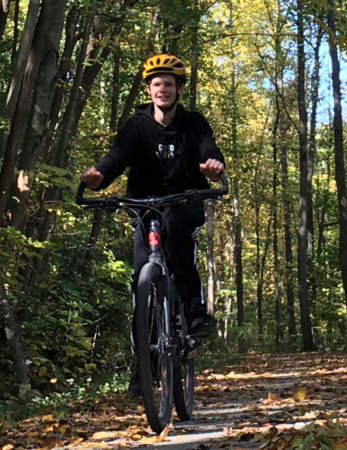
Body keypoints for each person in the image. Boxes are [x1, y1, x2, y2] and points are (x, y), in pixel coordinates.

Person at [79, 54, 224, 394]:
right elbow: (116, 157)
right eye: (157, 84)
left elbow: (208, 147)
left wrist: (212, 165)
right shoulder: (136, 125)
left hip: (184, 199)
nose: (163, 90)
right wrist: (98, 177)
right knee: (141, 280)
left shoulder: (193, 122)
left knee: (177, 243)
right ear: (149, 89)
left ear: (179, 89)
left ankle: (194, 312)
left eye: (169, 84)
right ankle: (143, 369)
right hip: (143, 205)